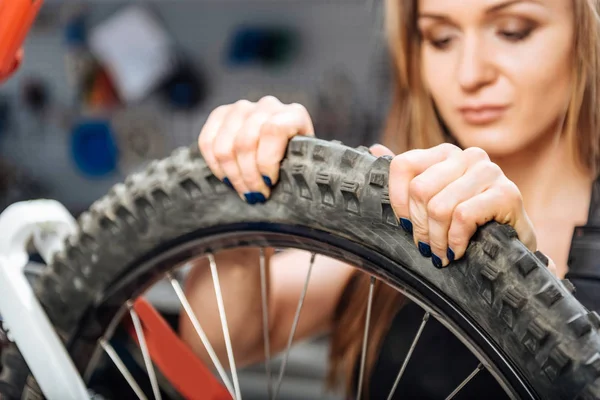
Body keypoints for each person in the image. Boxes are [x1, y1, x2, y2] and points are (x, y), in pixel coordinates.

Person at [183, 0, 600, 398]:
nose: (470, 73)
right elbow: (213, 344)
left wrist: (516, 275)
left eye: (514, 32)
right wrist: (247, 198)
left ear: (586, 32)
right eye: (439, 38)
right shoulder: (406, 205)